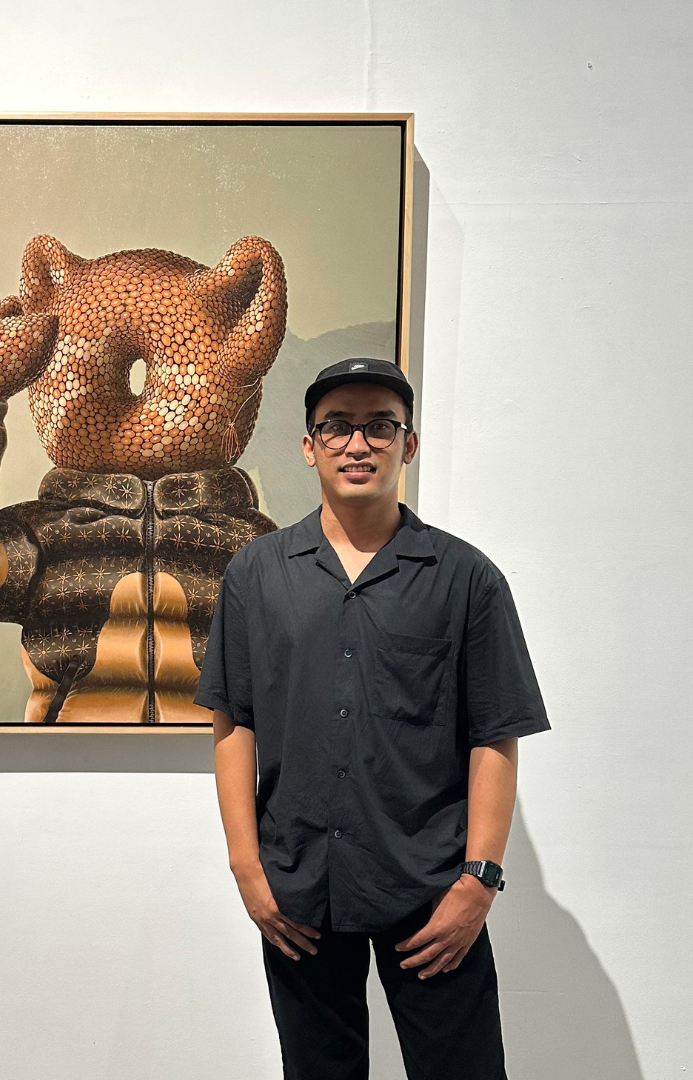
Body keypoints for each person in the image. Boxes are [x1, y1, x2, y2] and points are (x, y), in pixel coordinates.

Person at [192, 357, 551, 1080]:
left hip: (430, 889)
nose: (357, 443)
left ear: (408, 444)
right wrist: (246, 866)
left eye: (379, 426)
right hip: (298, 892)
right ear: (309, 445)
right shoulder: (257, 573)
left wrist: (479, 881)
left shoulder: (466, 578)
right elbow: (234, 722)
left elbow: (495, 733)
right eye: (337, 426)